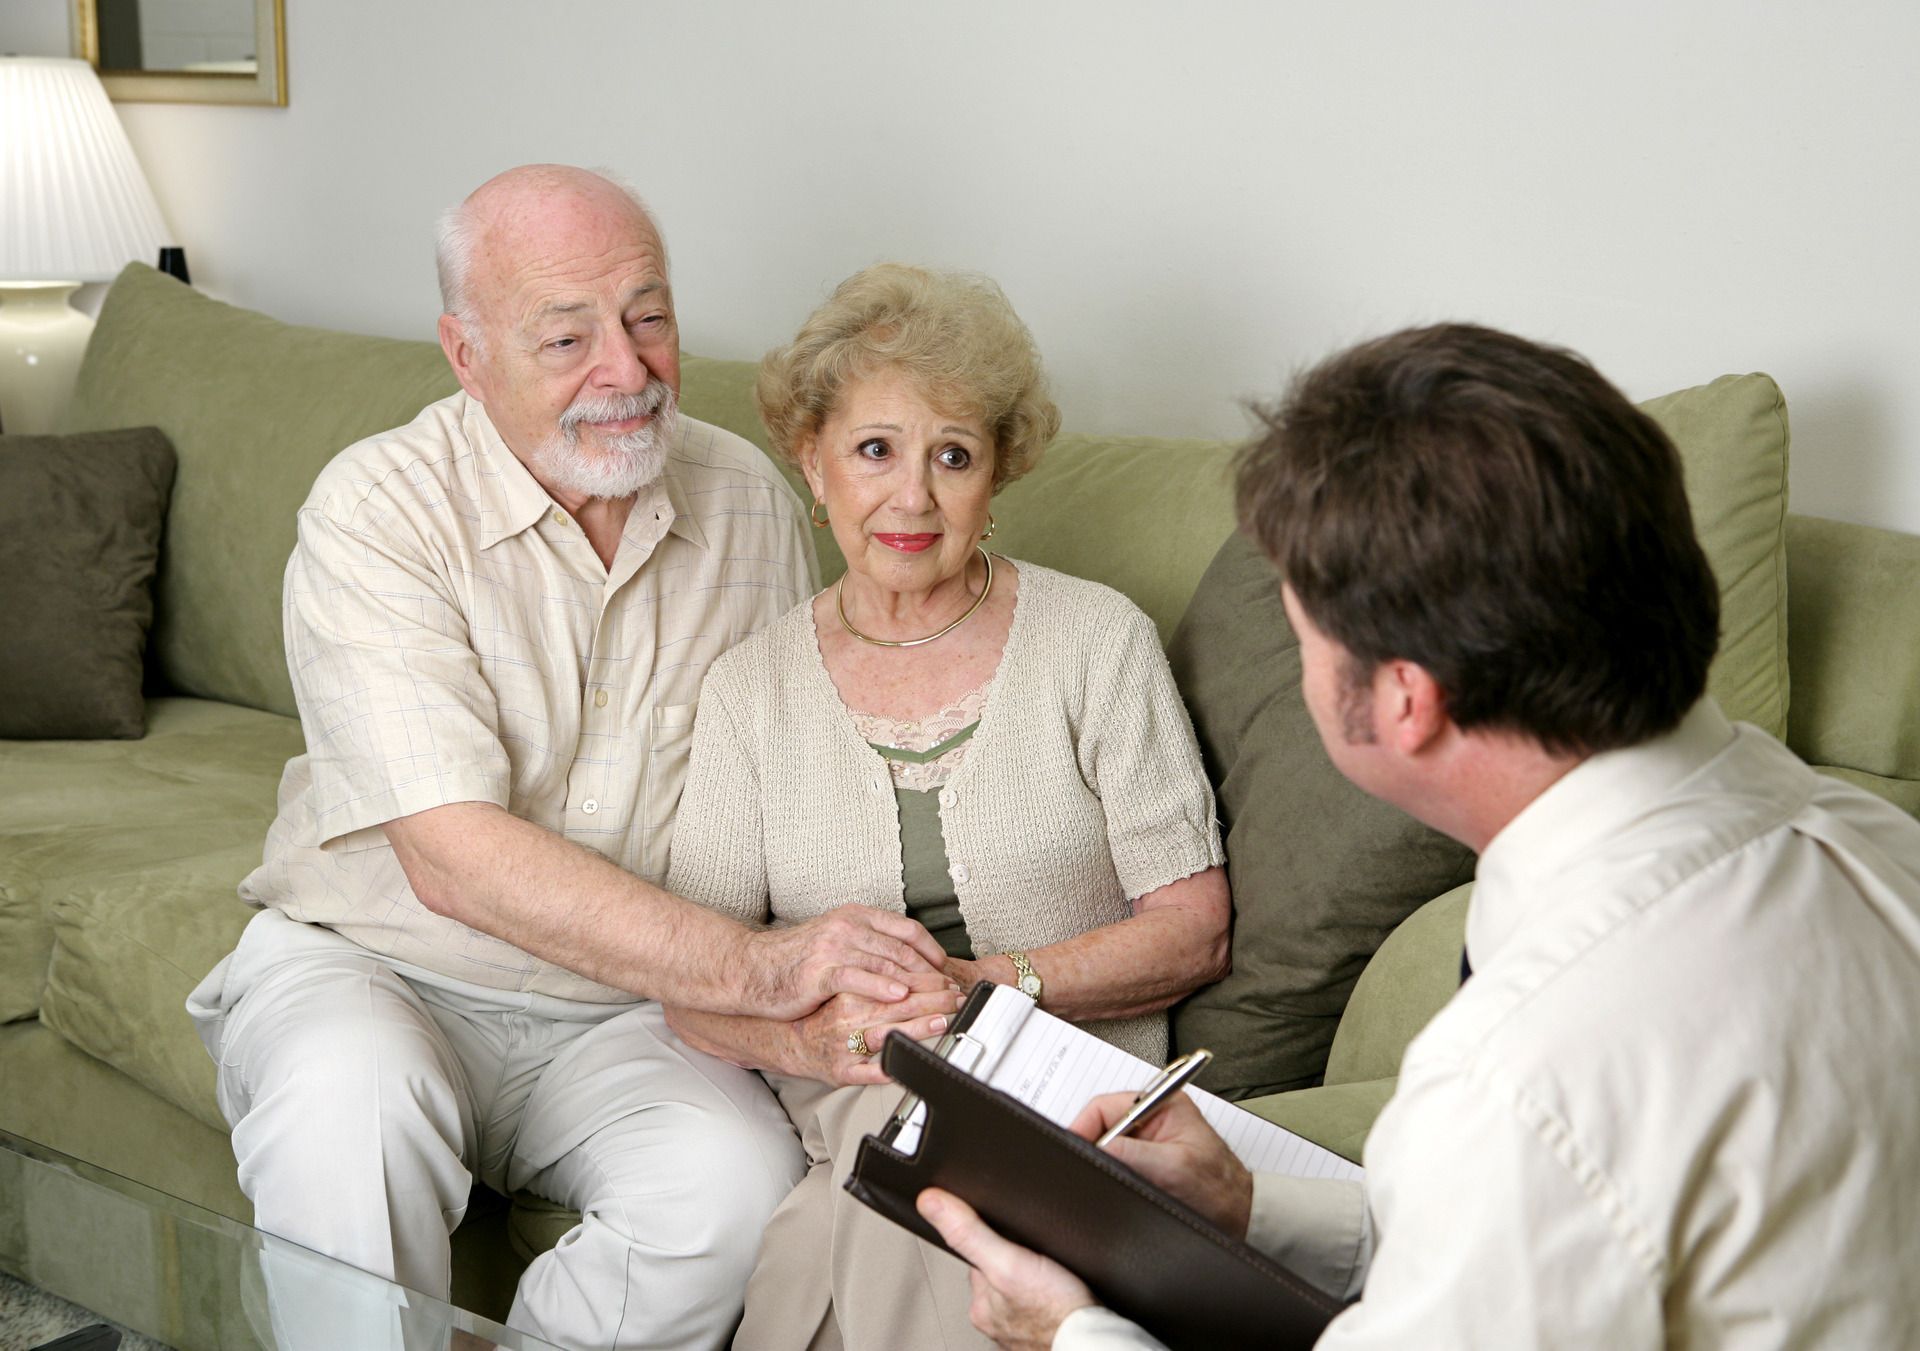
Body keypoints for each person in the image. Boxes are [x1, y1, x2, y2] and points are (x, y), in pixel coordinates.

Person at [919, 323, 1920, 1349]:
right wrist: (1253, 1209)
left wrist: (1072, 1334)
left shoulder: (1524, 1069)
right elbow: (1556, 1236)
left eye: (1301, 640)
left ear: (1406, 700)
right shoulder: (1878, 845)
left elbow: (1544, 1167)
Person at [184, 166, 952, 1351]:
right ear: (465, 350)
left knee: (733, 1191)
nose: (628, 369)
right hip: (378, 962)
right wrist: (756, 973)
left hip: (624, 1009)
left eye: (649, 316)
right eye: (566, 336)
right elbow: (454, 859)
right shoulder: (376, 510)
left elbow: (785, 791)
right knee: (348, 1109)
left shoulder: (747, 502)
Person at [659, 263, 1232, 1350]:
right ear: (812, 460)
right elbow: (694, 989)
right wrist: (834, 1042)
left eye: (952, 456)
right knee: (910, 1137)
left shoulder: (1096, 641)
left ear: (996, 474)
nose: (912, 497)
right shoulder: (751, 688)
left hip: (1071, 1083)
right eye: (875, 449)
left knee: (890, 1191)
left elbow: (1193, 926)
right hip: (851, 1083)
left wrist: (986, 987)